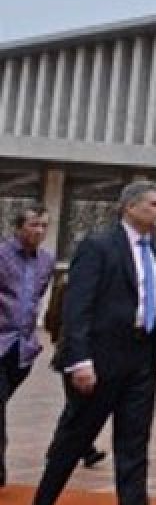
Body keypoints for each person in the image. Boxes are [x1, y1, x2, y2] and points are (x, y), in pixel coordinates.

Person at [30, 181, 156, 505]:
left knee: (135, 439)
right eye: (155, 204)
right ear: (130, 207)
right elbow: (78, 308)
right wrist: (79, 360)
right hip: (100, 357)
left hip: (141, 357)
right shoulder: (98, 247)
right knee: (76, 437)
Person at [0, 206, 57, 486]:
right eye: (34, 225)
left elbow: (37, 297)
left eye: (44, 226)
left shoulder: (45, 261)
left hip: (22, 348)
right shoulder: (2, 255)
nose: (40, 231)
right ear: (19, 227)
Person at [42, 274, 107, 470]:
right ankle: (60, 450)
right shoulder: (76, 284)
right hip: (73, 354)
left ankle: (84, 449)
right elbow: (56, 317)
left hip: (70, 352)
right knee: (76, 407)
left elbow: (51, 318)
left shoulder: (68, 281)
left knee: (79, 406)